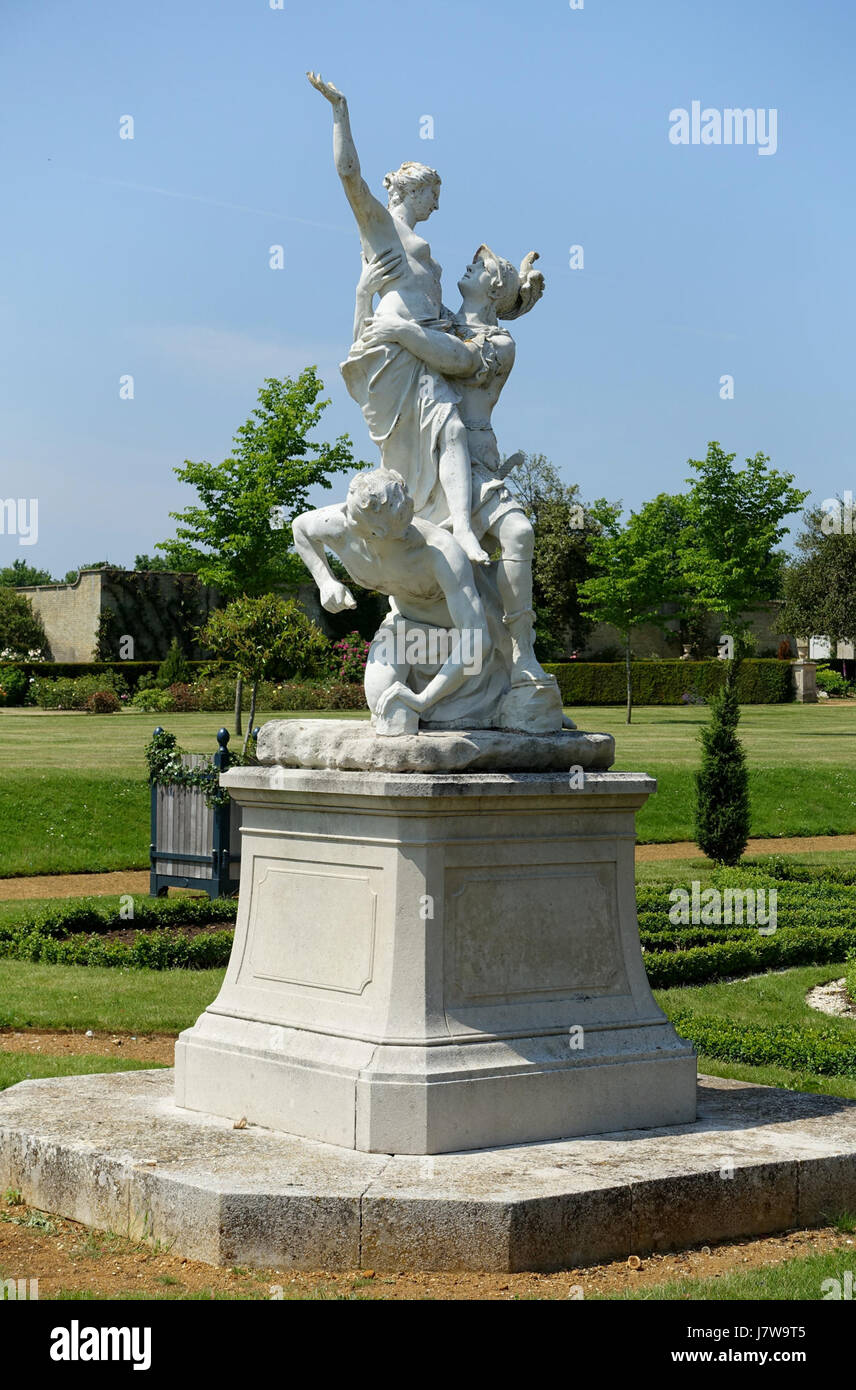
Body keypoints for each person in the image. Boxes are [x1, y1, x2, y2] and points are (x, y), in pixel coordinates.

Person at [354, 243, 555, 691]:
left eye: (478, 266)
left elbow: (459, 360)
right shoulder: (438, 318)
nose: (467, 264)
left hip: (475, 463)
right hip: (424, 459)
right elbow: (382, 325)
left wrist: (400, 330)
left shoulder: (499, 342)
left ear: (495, 286)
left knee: (518, 533)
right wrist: (366, 292)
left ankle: (522, 653)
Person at [307, 72, 489, 564]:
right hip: (394, 354)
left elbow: (438, 309)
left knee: (450, 432)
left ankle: (459, 528)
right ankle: (418, 538)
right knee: (416, 452)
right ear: (413, 190)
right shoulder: (383, 229)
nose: (439, 202)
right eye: (434, 192)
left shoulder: (421, 248)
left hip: (423, 348)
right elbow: (350, 176)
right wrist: (339, 110)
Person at [292, 469, 507, 731]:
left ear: (380, 533)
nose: (341, 518)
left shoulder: (439, 553)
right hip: (402, 631)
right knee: (386, 707)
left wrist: (422, 699)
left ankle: (462, 699)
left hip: (458, 647)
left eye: (353, 518)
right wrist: (325, 581)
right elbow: (300, 526)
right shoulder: (341, 522)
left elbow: (476, 641)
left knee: (439, 717)